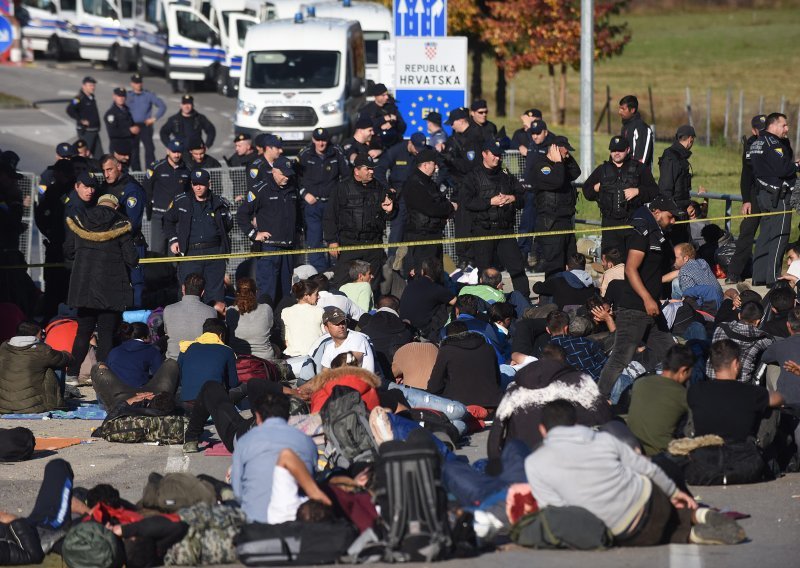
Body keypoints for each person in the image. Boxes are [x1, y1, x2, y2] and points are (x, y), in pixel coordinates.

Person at [525, 400, 747, 546]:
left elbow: (556, 512)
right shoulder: (604, 440)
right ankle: (697, 514)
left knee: (633, 530)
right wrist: (673, 492)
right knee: (654, 473)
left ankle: (691, 534)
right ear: (575, 423)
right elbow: (646, 468)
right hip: (649, 501)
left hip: (623, 531)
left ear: (543, 430)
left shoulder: (534, 463)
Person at [597, 196, 681, 398]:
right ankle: (598, 401)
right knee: (620, 358)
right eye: (670, 217)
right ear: (657, 212)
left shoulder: (656, 232)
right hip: (635, 307)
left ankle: (666, 393)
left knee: (670, 352)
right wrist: (647, 298)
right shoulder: (641, 232)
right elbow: (631, 269)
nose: (673, 222)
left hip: (651, 310)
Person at [64, 193, 138, 385]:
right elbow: (132, 259)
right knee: (106, 333)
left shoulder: (80, 220)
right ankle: (102, 378)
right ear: (115, 207)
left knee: (83, 332)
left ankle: (72, 375)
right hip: (111, 289)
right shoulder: (120, 224)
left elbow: (68, 251)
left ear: (98, 204)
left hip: (84, 287)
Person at [487, 359, 611, 467]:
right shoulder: (580, 383)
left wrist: (496, 464)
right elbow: (606, 418)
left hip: (522, 459)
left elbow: (496, 432)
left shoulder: (514, 391)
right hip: (573, 457)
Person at [230, 392, 321, 523]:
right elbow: (310, 480)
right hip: (298, 523)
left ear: (258, 416)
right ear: (288, 415)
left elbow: (238, 492)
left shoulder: (245, 442)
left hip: (255, 525)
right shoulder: (306, 441)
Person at [463, 139, 528, 294]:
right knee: (485, 272)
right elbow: (467, 202)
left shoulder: (506, 175)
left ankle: (524, 303)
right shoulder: (473, 177)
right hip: (484, 230)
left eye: (499, 155)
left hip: (505, 230)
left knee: (517, 267)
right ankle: (484, 302)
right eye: (494, 155)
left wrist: (512, 198)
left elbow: (522, 197)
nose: (497, 158)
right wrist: (489, 201)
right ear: (484, 154)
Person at [324, 154, 395, 290]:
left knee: (372, 287)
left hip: (372, 245)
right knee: (342, 284)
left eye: (372, 169)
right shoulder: (342, 188)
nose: (371, 172)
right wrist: (331, 240)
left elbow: (391, 215)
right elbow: (330, 216)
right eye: (367, 169)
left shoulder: (380, 188)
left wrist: (389, 211)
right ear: (357, 171)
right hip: (349, 244)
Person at [691, 339, 783, 442]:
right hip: (740, 453)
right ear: (735, 363)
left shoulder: (696, 390)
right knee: (773, 409)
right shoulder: (750, 393)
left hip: (704, 453)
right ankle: (759, 443)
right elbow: (778, 399)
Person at [164, 168, 232, 306]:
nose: (198, 187)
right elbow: (167, 220)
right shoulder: (181, 201)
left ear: (209, 184)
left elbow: (228, 224)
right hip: (190, 254)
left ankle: (215, 325)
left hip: (214, 254)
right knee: (189, 294)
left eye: (201, 184)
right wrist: (173, 239)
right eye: (195, 184)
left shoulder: (219, 203)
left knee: (215, 295)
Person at [237, 156, 299, 304]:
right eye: (283, 174)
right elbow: (242, 215)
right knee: (267, 291)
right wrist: (254, 234)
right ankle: (267, 325)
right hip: (269, 249)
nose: (286, 178)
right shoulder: (260, 189)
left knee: (286, 292)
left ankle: (282, 324)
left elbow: (298, 213)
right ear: (274, 171)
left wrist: (298, 232)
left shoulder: (293, 188)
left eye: (289, 174)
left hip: (288, 248)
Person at [583, 136, 659, 254]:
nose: (616, 153)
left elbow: (654, 190)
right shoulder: (602, 170)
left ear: (628, 150)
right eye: (613, 150)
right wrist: (596, 188)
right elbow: (586, 192)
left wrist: (638, 191)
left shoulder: (640, 168)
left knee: (631, 263)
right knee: (611, 262)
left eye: (620, 150)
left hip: (633, 223)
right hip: (610, 225)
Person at [751, 112, 800, 286]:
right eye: (784, 125)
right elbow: (782, 169)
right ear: (773, 125)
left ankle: (759, 276)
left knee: (764, 235)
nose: (787, 129)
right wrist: (796, 165)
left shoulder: (757, 142)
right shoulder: (773, 143)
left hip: (763, 195)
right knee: (780, 236)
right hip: (778, 197)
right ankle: (773, 278)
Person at [625, 345, 696, 456]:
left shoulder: (640, 383)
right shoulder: (683, 395)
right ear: (683, 370)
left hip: (631, 448)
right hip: (659, 455)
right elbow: (691, 432)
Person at [297, 127, 349, 272]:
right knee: (314, 241)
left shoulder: (336, 152)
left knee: (335, 239)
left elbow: (346, 176)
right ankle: (320, 274)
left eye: (324, 140)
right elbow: (295, 179)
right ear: (313, 140)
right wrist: (304, 194)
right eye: (318, 140)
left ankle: (337, 270)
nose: (321, 144)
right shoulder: (305, 155)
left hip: (332, 205)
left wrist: (339, 195)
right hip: (312, 205)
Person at [528, 135, 581, 276]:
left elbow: (576, 172)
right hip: (550, 223)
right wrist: (558, 161)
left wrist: (565, 159)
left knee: (573, 261)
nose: (567, 153)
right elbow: (556, 181)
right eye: (565, 150)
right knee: (555, 265)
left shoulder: (561, 165)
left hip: (565, 222)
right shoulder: (542, 166)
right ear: (555, 149)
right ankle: (549, 297)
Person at [101, 154, 147, 308]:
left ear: (118, 167)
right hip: (111, 244)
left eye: (109, 170)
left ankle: (136, 321)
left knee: (136, 284)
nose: (106, 174)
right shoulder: (104, 186)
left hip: (131, 243)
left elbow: (132, 223)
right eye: (104, 171)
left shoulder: (131, 188)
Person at [726, 115, 767, 283]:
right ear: (754, 131)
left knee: (769, 234)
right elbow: (746, 175)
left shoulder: (777, 143)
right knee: (747, 232)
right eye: (761, 131)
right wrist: (746, 200)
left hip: (772, 195)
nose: (765, 133)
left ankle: (765, 273)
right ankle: (733, 273)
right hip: (754, 194)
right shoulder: (750, 145)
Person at [441, 107, 484, 264]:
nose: (451, 126)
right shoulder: (460, 137)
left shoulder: (473, 137)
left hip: (471, 189)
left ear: (461, 121)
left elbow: (469, 165)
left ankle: (468, 258)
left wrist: (451, 159)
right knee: (461, 223)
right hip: (461, 187)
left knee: (466, 224)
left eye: (452, 123)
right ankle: (465, 256)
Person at [401, 147, 455, 270]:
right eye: (433, 164)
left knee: (436, 273)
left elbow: (439, 201)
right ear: (425, 165)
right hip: (421, 237)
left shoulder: (429, 183)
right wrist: (450, 207)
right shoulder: (414, 184)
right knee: (424, 274)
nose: (436, 167)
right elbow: (431, 208)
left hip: (433, 234)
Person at [427, 321, 502, 408]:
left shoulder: (446, 351)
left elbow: (434, 387)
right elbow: (497, 380)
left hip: (459, 406)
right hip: (492, 404)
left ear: (447, 336)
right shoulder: (488, 348)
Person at [0, 321, 70, 414]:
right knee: (57, 365)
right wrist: (67, 354)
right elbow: (66, 359)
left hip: (4, 406)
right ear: (38, 333)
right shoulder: (41, 350)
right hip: (33, 406)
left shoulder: (4, 347)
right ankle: (57, 403)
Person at [375, 132, 428, 249]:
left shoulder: (425, 152)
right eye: (416, 148)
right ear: (410, 143)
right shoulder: (395, 151)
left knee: (418, 230)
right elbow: (379, 171)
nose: (418, 152)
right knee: (397, 231)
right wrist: (387, 188)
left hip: (417, 196)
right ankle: (392, 263)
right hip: (400, 196)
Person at [705, 301, 774, 383]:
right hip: (741, 383)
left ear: (739, 315)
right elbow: (773, 343)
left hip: (712, 378)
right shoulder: (761, 339)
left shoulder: (721, 327)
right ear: (758, 321)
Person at [143, 139, 191, 255]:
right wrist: (150, 207)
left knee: (176, 252)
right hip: (159, 215)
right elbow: (147, 188)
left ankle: (174, 273)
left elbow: (189, 192)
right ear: (167, 151)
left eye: (179, 152)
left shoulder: (187, 170)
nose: (176, 155)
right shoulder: (157, 167)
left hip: (177, 218)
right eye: (174, 151)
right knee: (157, 252)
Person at [176, 318, 238, 405]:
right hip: (212, 403)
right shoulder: (227, 351)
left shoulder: (186, 347)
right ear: (221, 335)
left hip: (186, 400)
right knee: (244, 387)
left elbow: (179, 378)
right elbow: (233, 383)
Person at [519, 119, 555, 264]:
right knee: (526, 226)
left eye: (538, 133)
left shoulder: (551, 147)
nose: (535, 136)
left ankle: (540, 259)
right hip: (529, 194)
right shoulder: (532, 144)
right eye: (533, 133)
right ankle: (522, 257)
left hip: (543, 194)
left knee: (542, 228)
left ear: (546, 132)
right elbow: (511, 138)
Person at [658, 124, 698, 244]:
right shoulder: (671, 157)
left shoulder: (679, 157)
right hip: (673, 215)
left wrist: (688, 205)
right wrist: (670, 213)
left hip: (681, 211)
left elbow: (681, 188)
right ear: (690, 139)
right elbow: (665, 188)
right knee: (677, 249)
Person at [163, 273, 218, 361]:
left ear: (183, 288)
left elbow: (166, 332)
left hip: (174, 361)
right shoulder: (211, 312)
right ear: (203, 292)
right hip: (200, 361)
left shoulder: (168, 309)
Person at [399, 257, 456, 340]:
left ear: (422, 271)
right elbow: (455, 301)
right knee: (444, 304)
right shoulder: (437, 289)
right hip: (423, 331)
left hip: (404, 327)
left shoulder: (410, 285)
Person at [545, 310, 607, 382]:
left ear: (548, 330)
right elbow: (605, 363)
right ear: (566, 328)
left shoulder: (545, 354)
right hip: (598, 383)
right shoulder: (584, 342)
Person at [310, 307, 376, 373]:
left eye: (343, 322)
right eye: (336, 323)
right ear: (326, 328)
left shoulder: (357, 338)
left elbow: (350, 367)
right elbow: (324, 374)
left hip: (362, 382)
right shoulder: (329, 348)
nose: (341, 326)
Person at [226, 277, 275, 360]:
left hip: (239, 360)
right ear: (256, 292)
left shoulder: (230, 311)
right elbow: (271, 329)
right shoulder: (266, 309)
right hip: (265, 361)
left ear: (237, 293)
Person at [127, 73, 166, 172]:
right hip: (133, 126)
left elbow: (162, 106)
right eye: (136, 83)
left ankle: (150, 172)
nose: (138, 85)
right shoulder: (128, 96)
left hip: (145, 125)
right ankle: (137, 172)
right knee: (134, 150)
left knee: (149, 149)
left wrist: (154, 118)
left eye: (140, 82)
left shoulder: (148, 95)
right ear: (132, 84)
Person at [105, 322, 163, 388]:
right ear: (144, 336)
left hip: (115, 392)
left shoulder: (114, 351)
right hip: (138, 392)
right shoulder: (151, 350)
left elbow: (107, 371)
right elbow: (159, 375)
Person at [665, 242, 723, 307]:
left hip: (707, 309)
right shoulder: (702, 262)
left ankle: (675, 309)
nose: (672, 260)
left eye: (675, 257)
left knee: (675, 283)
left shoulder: (684, 273)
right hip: (720, 301)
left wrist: (674, 302)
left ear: (685, 258)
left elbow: (692, 301)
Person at [532, 252, 597, 309]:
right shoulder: (590, 284)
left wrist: (540, 283)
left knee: (546, 292)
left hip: (561, 317)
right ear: (584, 267)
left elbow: (536, 289)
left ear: (567, 267)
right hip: (583, 316)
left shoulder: (557, 280)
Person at [281, 280, 324, 358]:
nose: (319, 297)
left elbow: (286, 340)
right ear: (306, 296)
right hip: (315, 356)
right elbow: (325, 336)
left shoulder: (285, 312)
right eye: (316, 294)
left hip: (292, 356)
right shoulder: (319, 311)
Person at [66, 76, 102, 156]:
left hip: (95, 130)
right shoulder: (79, 98)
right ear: (84, 86)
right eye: (90, 85)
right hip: (86, 131)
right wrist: (80, 120)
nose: (93, 87)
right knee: (84, 154)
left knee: (100, 156)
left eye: (94, 85)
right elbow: (69, 109)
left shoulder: (91, 97)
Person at [104, 87, 138, 166]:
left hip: (129, 144)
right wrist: (129, 131)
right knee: (118, 169)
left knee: (129, 169)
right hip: (118, 146)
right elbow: (112, 132)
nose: (121, 98)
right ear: (114, 97)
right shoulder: (111, 114)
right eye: (119, 96)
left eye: (123, 96)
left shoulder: (126, 110)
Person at [618, 95, 655, 168]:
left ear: (632, 110)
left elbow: (642, 159)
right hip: (624, 175)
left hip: (638, 176)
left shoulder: (641, 128)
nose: (620, 112)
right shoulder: (625, 127)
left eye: (623, 109)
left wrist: (633, 174)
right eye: (619, 108)